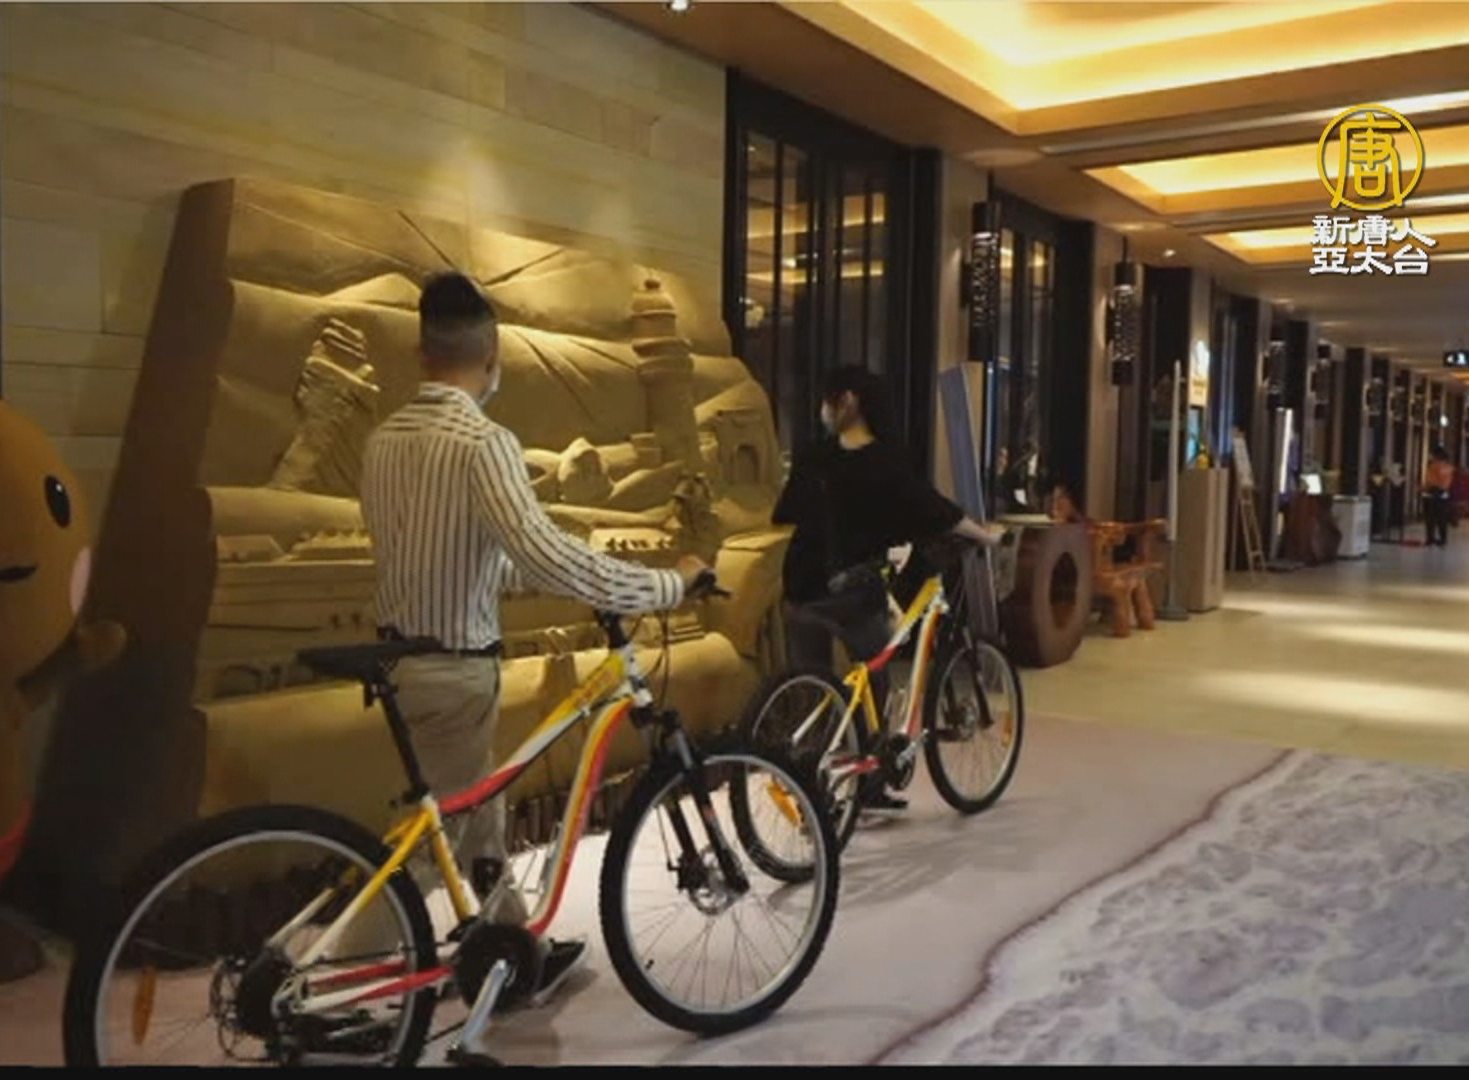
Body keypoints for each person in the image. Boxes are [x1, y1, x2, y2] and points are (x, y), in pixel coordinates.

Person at [360, 271, 710, 1004]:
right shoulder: (484, 443)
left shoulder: (383, 441)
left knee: (474, 818)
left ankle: (514, 948)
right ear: (491, 358)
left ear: (424, 353)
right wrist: (664, 587)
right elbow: (546, 555)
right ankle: (321, 975)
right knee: (426, 846)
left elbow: (455, 555)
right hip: (457, 671)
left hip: (403, 663)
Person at [771, 366, 1003, 810]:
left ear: (847, 402)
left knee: (817, 687)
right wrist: (985, 535)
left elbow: (787, 512)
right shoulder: (885, 461)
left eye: (828, 399)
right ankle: (871, 782)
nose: (823, 409)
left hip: (800, 587)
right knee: (874, 674)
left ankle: (806, 776)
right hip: (850, 591)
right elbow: (934, 509)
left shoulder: (814, 457)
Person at [1423, 444, 1455, 547]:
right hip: (1443, 493)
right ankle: (1443, 538)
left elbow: (1429, 481)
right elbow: (1448, 481)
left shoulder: (1433, 466)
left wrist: (1425, 488)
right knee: (1442, 518)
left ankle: (1430, 538)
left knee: (1430, 518)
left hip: (1433, 493)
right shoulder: (1449, 467)